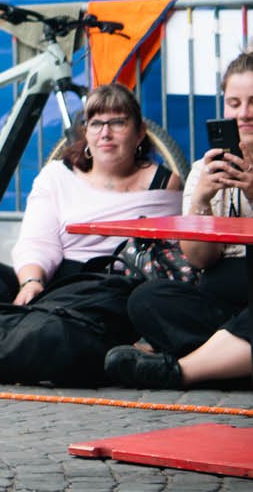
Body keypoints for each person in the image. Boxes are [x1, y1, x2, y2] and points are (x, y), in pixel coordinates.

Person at [0, 84, 182, 378]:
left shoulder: (164, 184)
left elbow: (169, 253)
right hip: (53, 274)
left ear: (139, 133)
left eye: (117, 122)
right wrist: (31, 281)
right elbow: (37, 239)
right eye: (96, 123)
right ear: (86, 133)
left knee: (55, 330)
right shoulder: (57, 175)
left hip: (105, 285)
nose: (105, 133)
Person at [105, 52, 253, 391]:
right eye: (234, 103)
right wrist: (201, 200)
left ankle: (183, 370)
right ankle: (233, 360)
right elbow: (200, 259)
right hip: (221, 305)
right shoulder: (205, 169)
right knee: (147, 300)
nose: (244, 113)